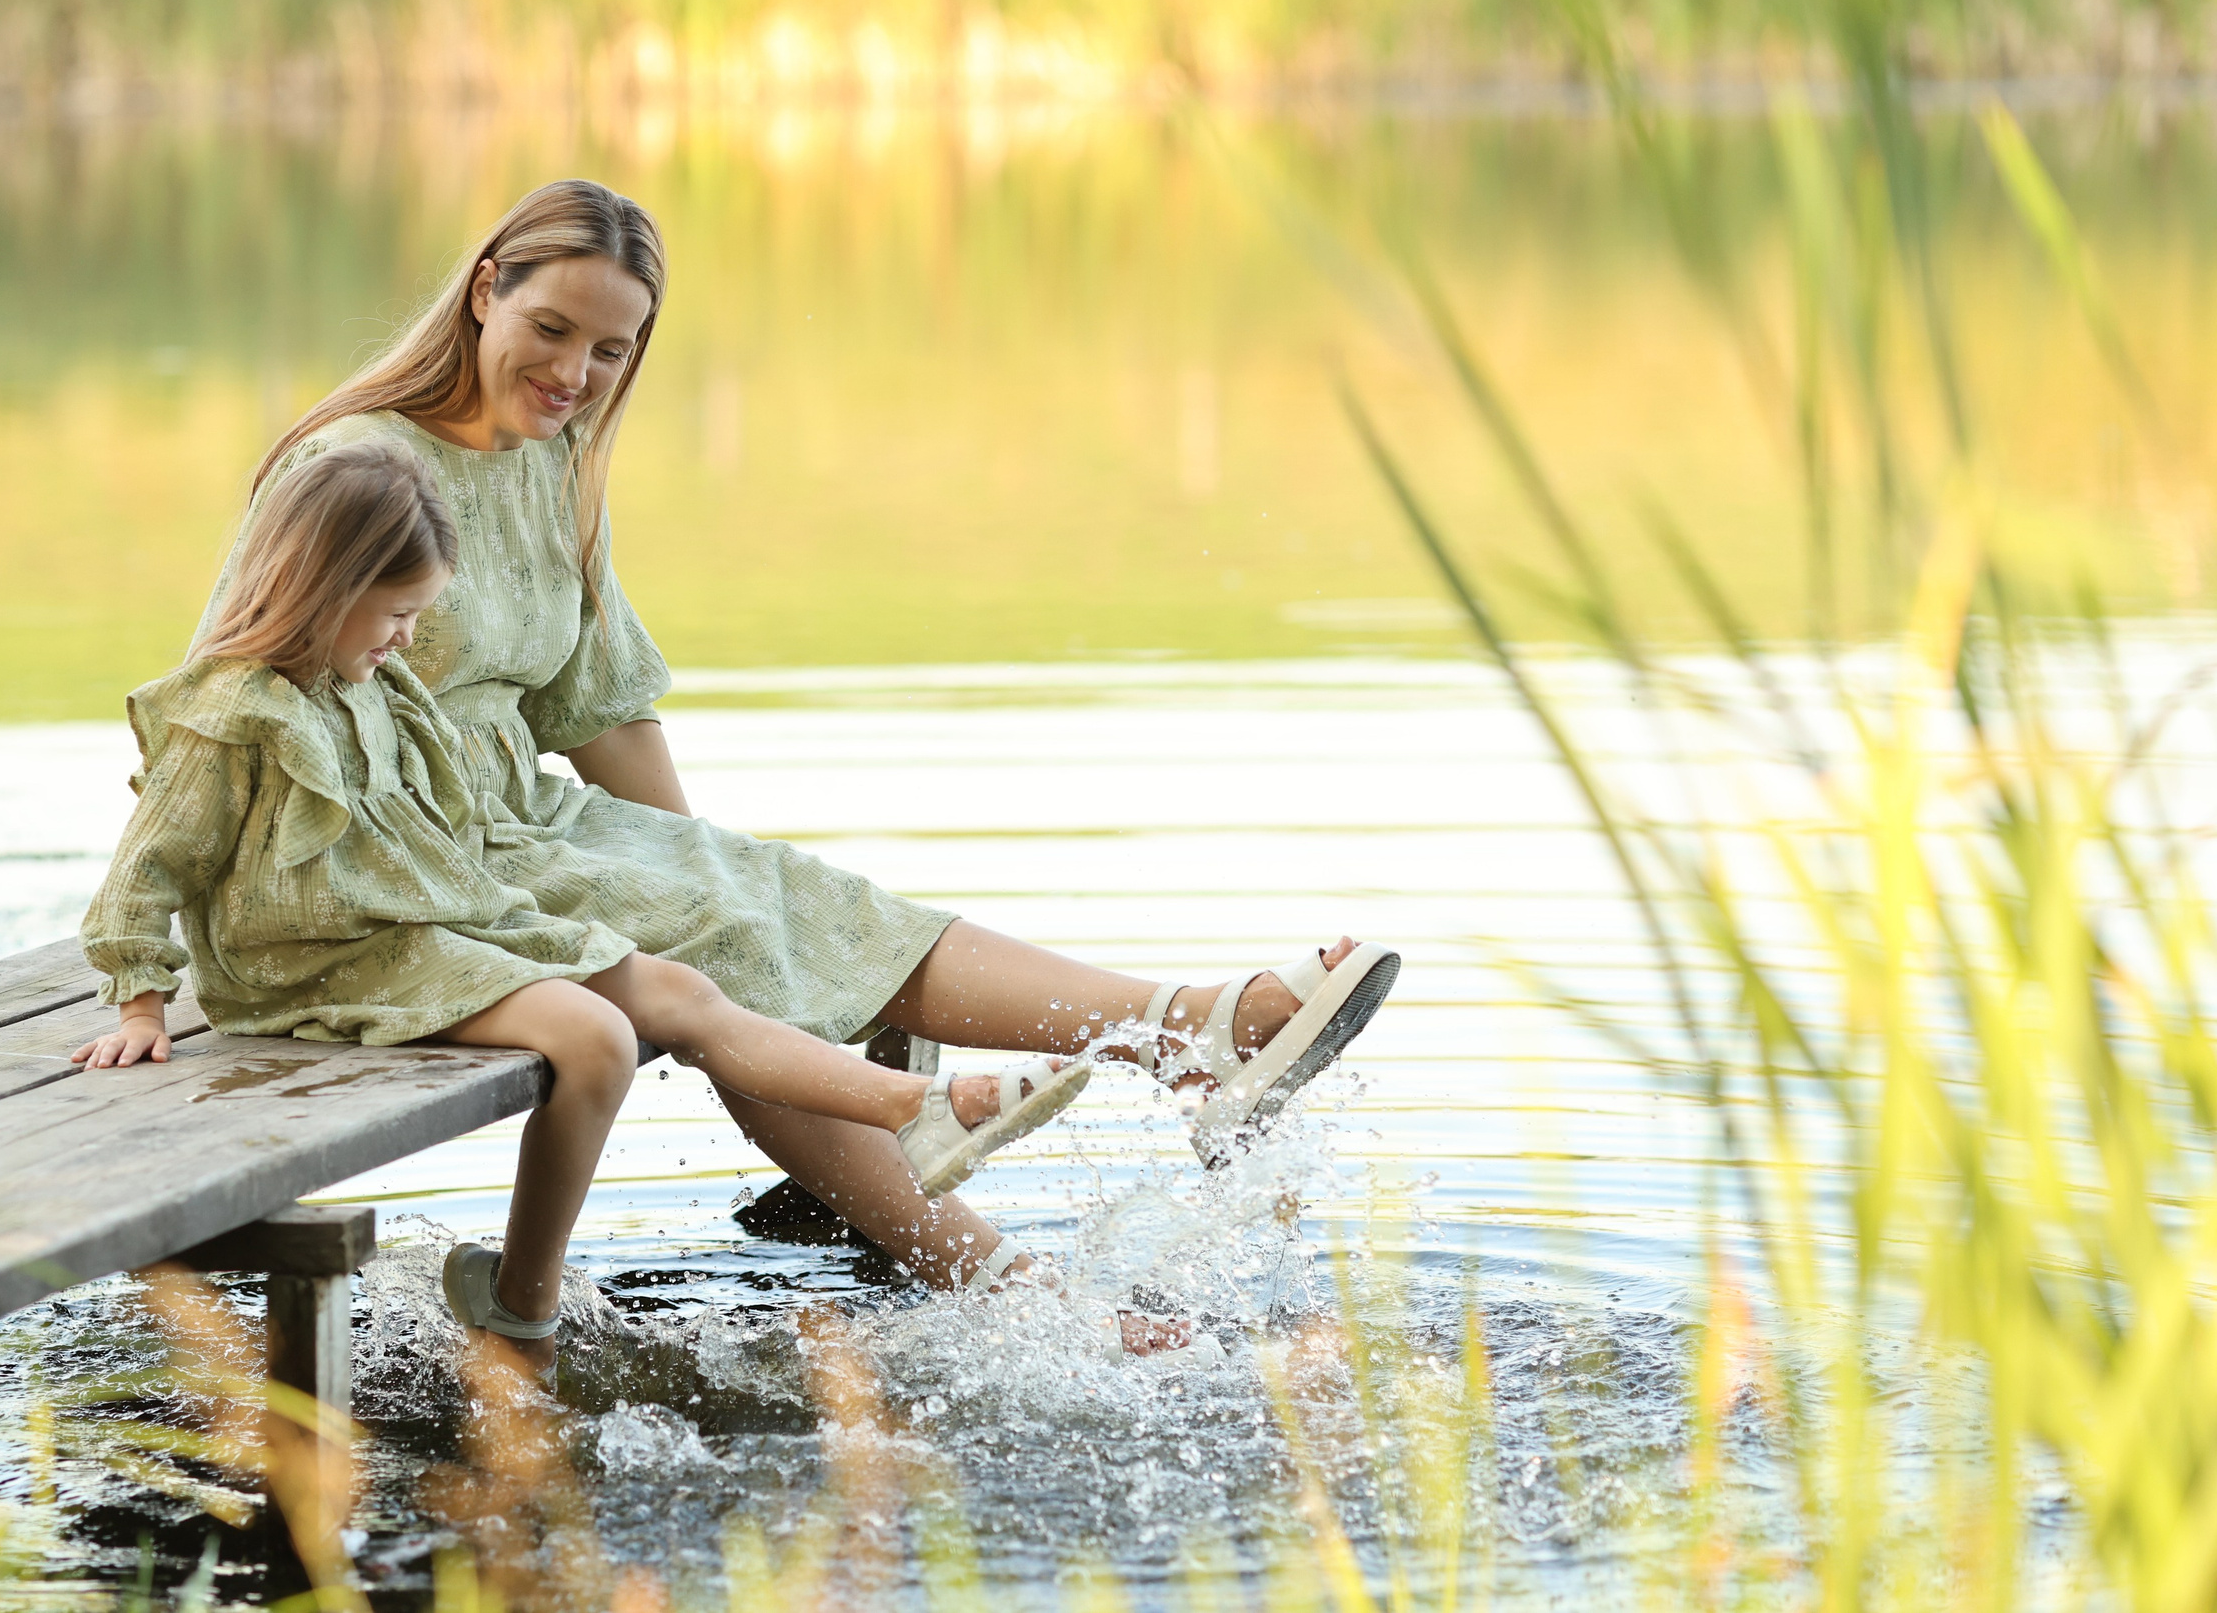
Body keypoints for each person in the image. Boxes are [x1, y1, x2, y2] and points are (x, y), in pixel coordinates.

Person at [208, 178, 1400, 1348]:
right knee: (727, 927)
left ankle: (1178, 1034)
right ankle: (1055, 1243)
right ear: (483, 294)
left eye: (612, 351)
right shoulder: (353, 467)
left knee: (774, 900)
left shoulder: (555, 463)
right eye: (551, 330)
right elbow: (233, 690)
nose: (574, 374)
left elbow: (597, 705)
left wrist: (704, 866)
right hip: (381, 849)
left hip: (512, 820)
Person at [73, 439, 1090, 1383]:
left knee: (682, 990)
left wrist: (538, 894)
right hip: (315, 963)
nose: (408, 638)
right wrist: (140, 1004)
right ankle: (531, 1307)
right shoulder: (228, 715)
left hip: (416, 925)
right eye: (393, 616)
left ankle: (905, 1113)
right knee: (597, 1037)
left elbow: (445, 823)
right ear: (320, 590)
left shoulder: (367, 688)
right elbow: (146, 870)